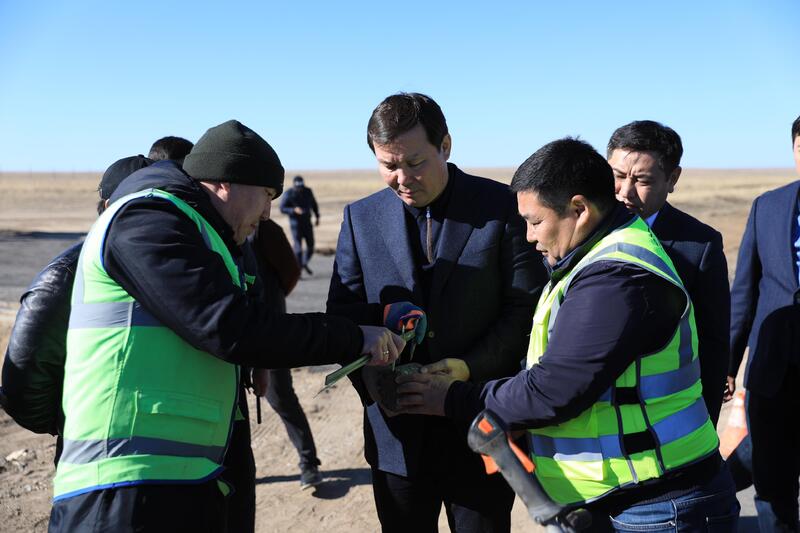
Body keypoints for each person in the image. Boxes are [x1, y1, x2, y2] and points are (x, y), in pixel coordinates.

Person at [49, 120, 403, 533]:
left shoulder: (201, 233)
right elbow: (231, 327)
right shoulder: (147, 220)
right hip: (121, 484)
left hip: (176, 478)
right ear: (224, 183)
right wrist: (353, 336)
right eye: (266, 195)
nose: (268, 212)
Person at [397, 138, 739, 531]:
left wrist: (453, 398)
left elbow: (555, 388)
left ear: (579, 209)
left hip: (657, 507)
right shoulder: (590, 258)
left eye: (535, 222)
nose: (529, 236)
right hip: (623, 499)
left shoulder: (617, 276)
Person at [327, 92, 544, 532]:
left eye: (415, 162)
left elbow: (525, 309)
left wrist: (467, 368)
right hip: (398, 439)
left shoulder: (502, 207)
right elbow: (343, 316)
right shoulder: (361, 218)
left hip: (480, 426)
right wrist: (375, 384)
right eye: (388, 165)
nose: (403, 178)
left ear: (445, 145)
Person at [1, 155, 154, 464]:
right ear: (109, 206)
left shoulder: (185, 267)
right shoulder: (67, 275)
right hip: (98, 461)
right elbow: (25, 383)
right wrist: (72, 422)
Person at [607, 120, 731, 425]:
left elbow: (712, 345)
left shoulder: (699, 246)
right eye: (618, 176)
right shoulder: (578, 229)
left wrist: (704, 425)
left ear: (672, 178)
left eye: (642, 181)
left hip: (664, 415)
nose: (625, 192)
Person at [728, 114, 800, 532]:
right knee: (773, 484)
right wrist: (726, 362)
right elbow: (744, 291)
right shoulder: (767, 207)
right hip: (773, 369)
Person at [250, 219, 324, 489]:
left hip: (270, 331)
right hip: (229, 332)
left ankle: (309, 463)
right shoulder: (212, 227)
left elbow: (290, 273)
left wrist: (272, 304)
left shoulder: (267, 231)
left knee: (282, 398)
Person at [280, 175, 319, 275]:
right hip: (296, 225)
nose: (300, 189)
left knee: (311, 246)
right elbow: (282, 208)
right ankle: (298, 271)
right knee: (298, 249)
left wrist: (317, 216)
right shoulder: (288, 193)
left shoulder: (308, 191)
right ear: (294, 185)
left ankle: (303, 263)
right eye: (298, 187)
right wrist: (293, 210)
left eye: (301, 187)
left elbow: (314, 204)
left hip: (307, 223)